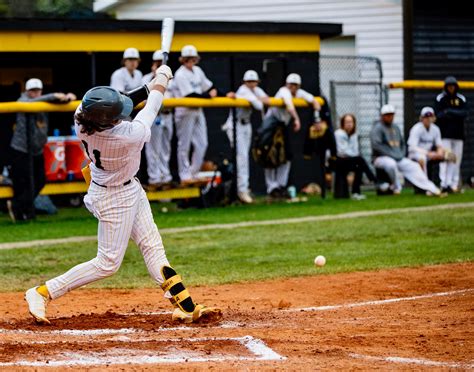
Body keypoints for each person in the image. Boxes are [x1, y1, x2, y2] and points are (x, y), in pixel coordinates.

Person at [25, 66, 220, 325]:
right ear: (109, 120)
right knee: (107, 263)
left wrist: (152, 82)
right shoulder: (129, 135)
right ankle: (43, 292)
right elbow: (152, 106)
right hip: (113, 198)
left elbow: (120, 101)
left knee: (152, 247)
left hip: (126, 188)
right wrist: (161, 80)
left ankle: (185, 305)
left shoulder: (81, 116)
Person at [7, 78, 76, 222]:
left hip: (37, 150)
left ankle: (18, 206)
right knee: (22, 182)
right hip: (21, 150)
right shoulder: (23, 100)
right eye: (32, 90)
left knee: (40, 181)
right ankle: (20, 212)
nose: (35, 93)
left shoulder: (44, 101)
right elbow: (29, 103)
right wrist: (54, 96)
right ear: (27, 91)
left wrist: (67, 97)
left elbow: (61, 100)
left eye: (38, 90)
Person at [172, 45, 234, 183]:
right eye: (187, 59)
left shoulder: (198, 70)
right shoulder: (180, 74)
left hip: (198, 110)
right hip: (185, 111)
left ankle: (193, 172)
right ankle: (184, 176)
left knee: (202, 144)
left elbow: (210, 87)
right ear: (183, 60)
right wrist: (208, 96)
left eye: (193, 59)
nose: (190, 61)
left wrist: (225, 94)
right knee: (184, 145)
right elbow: (190, 94)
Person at [262, 73, 321, 199]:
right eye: (290, 85)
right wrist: (297, 119)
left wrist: (317, 118)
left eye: (295, 85)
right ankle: (271, 188)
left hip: (282, 126)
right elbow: (289, 106)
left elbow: (315, 101)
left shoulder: (299, 93)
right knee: (270, 156)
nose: (292, 88)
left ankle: (280, 186)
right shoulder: (284, 91)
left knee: (286, 156)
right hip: (270, 125)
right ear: (286, 84)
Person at [371, 104, 443, 196]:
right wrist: (394, 155)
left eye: (391, 114)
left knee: (414, 166)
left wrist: (401, 154)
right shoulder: (377, 128)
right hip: (380, 158)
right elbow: (376, 146)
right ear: (382, 116)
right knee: (391, 164)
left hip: (398, 157)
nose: (390, 117)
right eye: (387, 115)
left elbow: (402, 144)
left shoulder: (395, 127)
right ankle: (396, 188)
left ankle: (431, 189)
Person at [222, 70, 269, 204]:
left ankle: (242, 188)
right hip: (235, 125)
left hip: (246, 125)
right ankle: (241, 190)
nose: (251, 84)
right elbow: (260, 105)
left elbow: (268, 99)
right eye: (249, 82)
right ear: (244, 82)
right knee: (241, 158)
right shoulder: (243, 90)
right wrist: (259, 98)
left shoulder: (256, 90)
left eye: (253, 82)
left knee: (243, 157)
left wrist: (259, 97)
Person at [141, 50, 174, 188]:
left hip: (168, 115)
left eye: (162, 63)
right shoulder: (146, 79)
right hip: (154, 116)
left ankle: (165, 176)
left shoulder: (171, 78)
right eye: (158, 63)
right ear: (153, 65)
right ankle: (155, 178)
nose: (160, 65)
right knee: (153, 148)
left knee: (165, 148)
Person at [434, 76, 468, 193]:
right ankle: (444, 184)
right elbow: (439, 115)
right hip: (445, 135)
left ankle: (454, 184)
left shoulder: (461, 98)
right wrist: (452, 114)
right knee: (446, 159)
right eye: (449, 86)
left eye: (453, 86)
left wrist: (449, 111)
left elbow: (464, 113)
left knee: (456, 159)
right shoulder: (441, 98)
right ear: (446, 87)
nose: (451, 88)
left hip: (458, 135)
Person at [334, 113, 376, 200]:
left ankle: (356, 192)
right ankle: (372, 178)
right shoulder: (338, 134)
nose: (349, 124)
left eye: (351, 122)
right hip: (338, 160)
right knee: (360, 160)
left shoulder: (354, 135)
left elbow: (355, 151)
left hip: (351, 160)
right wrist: (352, 155)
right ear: (342, 123)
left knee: (359, 167)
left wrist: (352, 155)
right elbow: (342, 151)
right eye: (347, 122)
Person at [302, 95, 337, 199]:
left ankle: (324, 191)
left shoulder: (323, 104)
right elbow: (309, 127)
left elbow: (328, 126)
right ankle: (308, 153)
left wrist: (322, 125)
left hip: (323, 138)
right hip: (315, 137)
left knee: (324, 164)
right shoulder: (311, 109)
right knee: (317, 163)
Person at [407, 106, 451, 178]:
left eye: (430, 116)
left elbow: (439, 145)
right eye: (426, 116)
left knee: (450, 156)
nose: (428, 119)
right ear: (421, 118)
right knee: (422, 159)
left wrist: (439, 153)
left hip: (429, 154)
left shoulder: (435, 129)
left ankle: (447, 183)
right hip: (415, 154)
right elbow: (412, 147)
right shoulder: (416, 128)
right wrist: (428, 153)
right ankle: (425, 185)